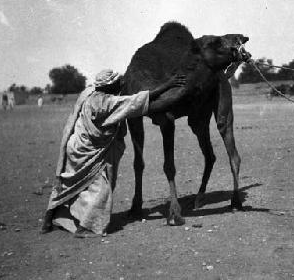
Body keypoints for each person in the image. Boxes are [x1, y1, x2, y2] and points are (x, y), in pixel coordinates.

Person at [41, 69, 186, 238]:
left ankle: (49, 219)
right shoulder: (107, 103)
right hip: (89, 151)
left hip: (76, 146)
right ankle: (87, 227)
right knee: (101, 190)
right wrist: (168, 85)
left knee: (69, 185)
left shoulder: (88, 93)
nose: (121, 84)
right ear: (109, 86)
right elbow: (136, 101)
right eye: (117, 83)